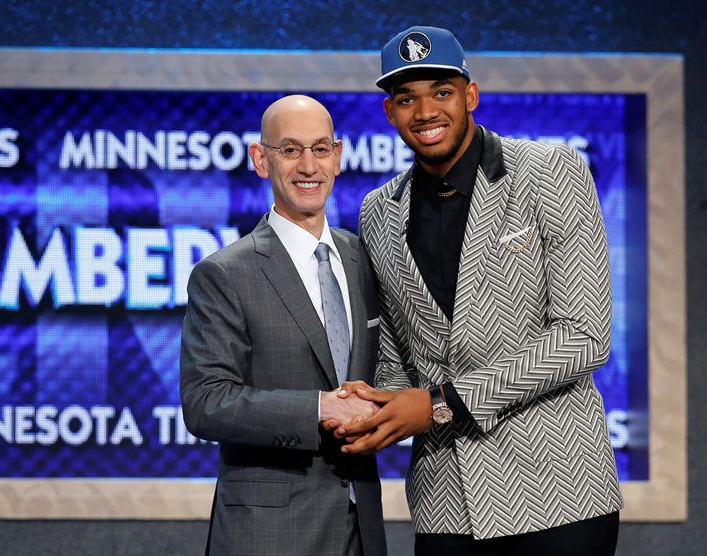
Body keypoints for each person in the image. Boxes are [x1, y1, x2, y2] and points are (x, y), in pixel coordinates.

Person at [335, 26, 623, 555]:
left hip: (557, 491)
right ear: (390, 114)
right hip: (447, 500)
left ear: (470, 95)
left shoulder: (550, 172)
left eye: (441, 92)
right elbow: (402, 356)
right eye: (406, 99)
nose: (425, 112)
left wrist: (443, 402)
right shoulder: (378, 211)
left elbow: (584, 336)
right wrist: (367, 404)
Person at [180, 95, 387, 556]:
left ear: (338, 156)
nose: (308, 166)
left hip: (362, 526)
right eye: (290, 150)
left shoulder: (362, 261)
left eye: (319, 149)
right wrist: (320, 408)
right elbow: (205, 402)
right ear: (261, 159)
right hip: (269, 533)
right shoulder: (225, 273)